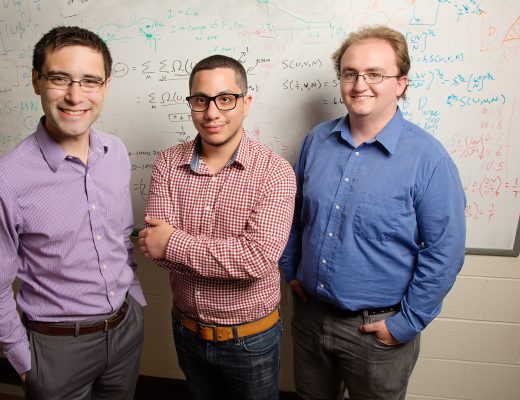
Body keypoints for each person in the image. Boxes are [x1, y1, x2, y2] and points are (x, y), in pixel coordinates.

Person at [279, 25, 466, 400]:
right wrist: (290, 268)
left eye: (375, 74)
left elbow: (444, 252)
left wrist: (405, 324)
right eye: (350, 74)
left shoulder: (428, 160)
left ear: (400, 83)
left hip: (378, 333)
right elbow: (294, 214)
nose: (359, 84)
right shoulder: (317, 140)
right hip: (311, 318)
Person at [0, 26, 145, 400]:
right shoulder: (3, 183)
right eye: (59, 78)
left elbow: (119, 239)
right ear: (36, 81)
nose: (74, 95)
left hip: (125, 330)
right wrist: (26, 365)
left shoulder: (115, 153)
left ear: (106, 86)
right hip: (56, 350)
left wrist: (136, 302)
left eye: (89, 81)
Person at [138, 54, 296, 400]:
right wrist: (219, 254)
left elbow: (255, 260)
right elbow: (154, 249)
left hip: (251, 339)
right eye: (200, 100)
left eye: (225, 99)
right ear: (191, 103)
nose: (212, 112)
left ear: (246, 103)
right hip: (187, 330)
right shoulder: (168, 162)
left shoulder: (275, 172)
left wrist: (174, 242)